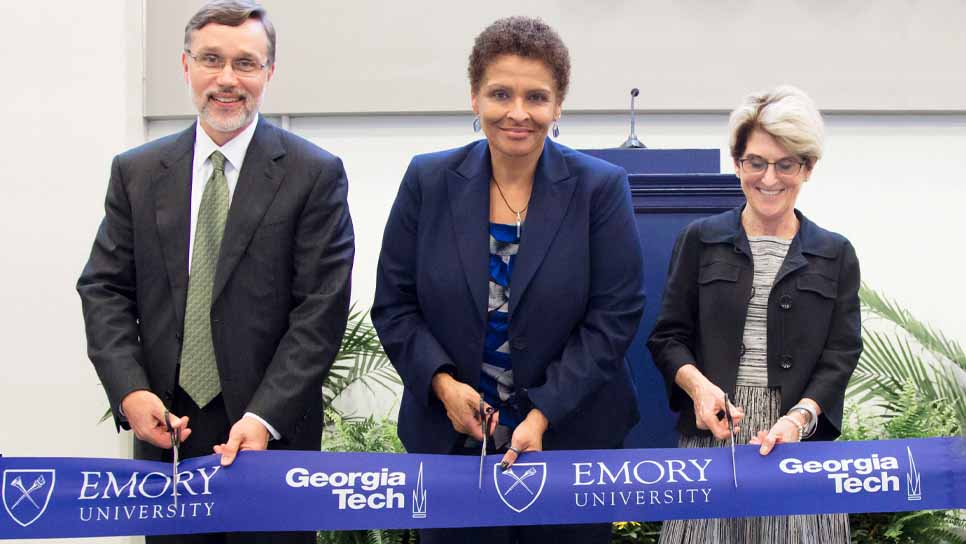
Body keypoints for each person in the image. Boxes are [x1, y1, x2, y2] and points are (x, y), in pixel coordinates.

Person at [76, 1, 354, 542]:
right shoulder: (136, 173)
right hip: (167, 440)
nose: (227, 79)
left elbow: (320, 312)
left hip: (272, 441)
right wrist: (129, 392)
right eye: (211, 59)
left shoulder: (314, 174)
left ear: (269, 72)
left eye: (246, 63)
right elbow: (103, 288)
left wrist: (264, 417)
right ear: (186, 67)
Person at [372, 16, 645, 544]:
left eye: (536, 97)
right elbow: (395, 305)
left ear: (558, 105)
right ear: (474, 98)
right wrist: (443, 385)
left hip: (573, 437)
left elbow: (615, 318)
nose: (518, 113)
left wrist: (542, 412)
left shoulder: (600, 188)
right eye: (500, 93)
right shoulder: (427, 181)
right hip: (452, 442)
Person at [647, 85, 861, 543]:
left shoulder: (835, 253)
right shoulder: (699, 240)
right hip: (713, 432)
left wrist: (800, 419)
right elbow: (667, 338)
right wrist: (700, 390)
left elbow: (841, 353)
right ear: (737, 161)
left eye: (786, 164)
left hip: (798, 439)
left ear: (808, 167)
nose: (769, 178)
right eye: (756, 162)